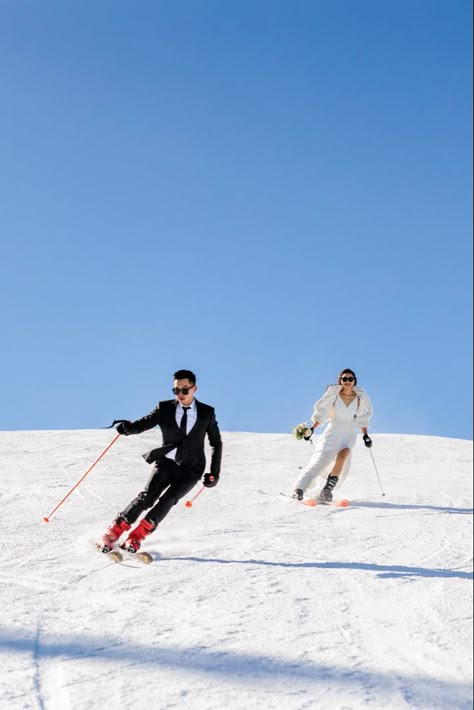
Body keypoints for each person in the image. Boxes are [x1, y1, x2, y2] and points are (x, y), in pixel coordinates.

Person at [100, 369, 222, 553]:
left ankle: (136, 538)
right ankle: (113, 533)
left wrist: (214, 472)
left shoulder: (207, 412)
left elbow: (216, 442)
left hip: (192, 469)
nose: (180, 394)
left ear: (194, 388)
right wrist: (128, 429)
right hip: (166, 463)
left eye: (184, 390)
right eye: (176, 390)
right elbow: (144, 423)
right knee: (147, 498)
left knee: (168, 500)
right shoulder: (165, 408)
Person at [292, 368, 373, 502]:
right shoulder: (334, 396)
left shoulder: (360, 398)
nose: (347, 381)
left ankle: (327, 491)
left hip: (349, 433)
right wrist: (311, 429)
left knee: (343, 457)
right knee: (319, 462)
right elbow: (322, 414)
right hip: (332, 432)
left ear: (354, 381)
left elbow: (362, 418)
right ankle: (298, 489)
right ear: (340, 381)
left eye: (350, 379)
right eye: (344, 379)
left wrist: (365, 435)